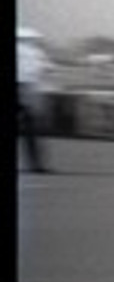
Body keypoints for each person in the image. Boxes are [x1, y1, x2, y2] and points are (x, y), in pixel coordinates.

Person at [17, 27, 53, 173]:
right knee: (30, 129)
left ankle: (35, 164)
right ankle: (35, 165)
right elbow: (46, 69)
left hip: (24, 87)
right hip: (28, 89)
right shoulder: (36, 53)